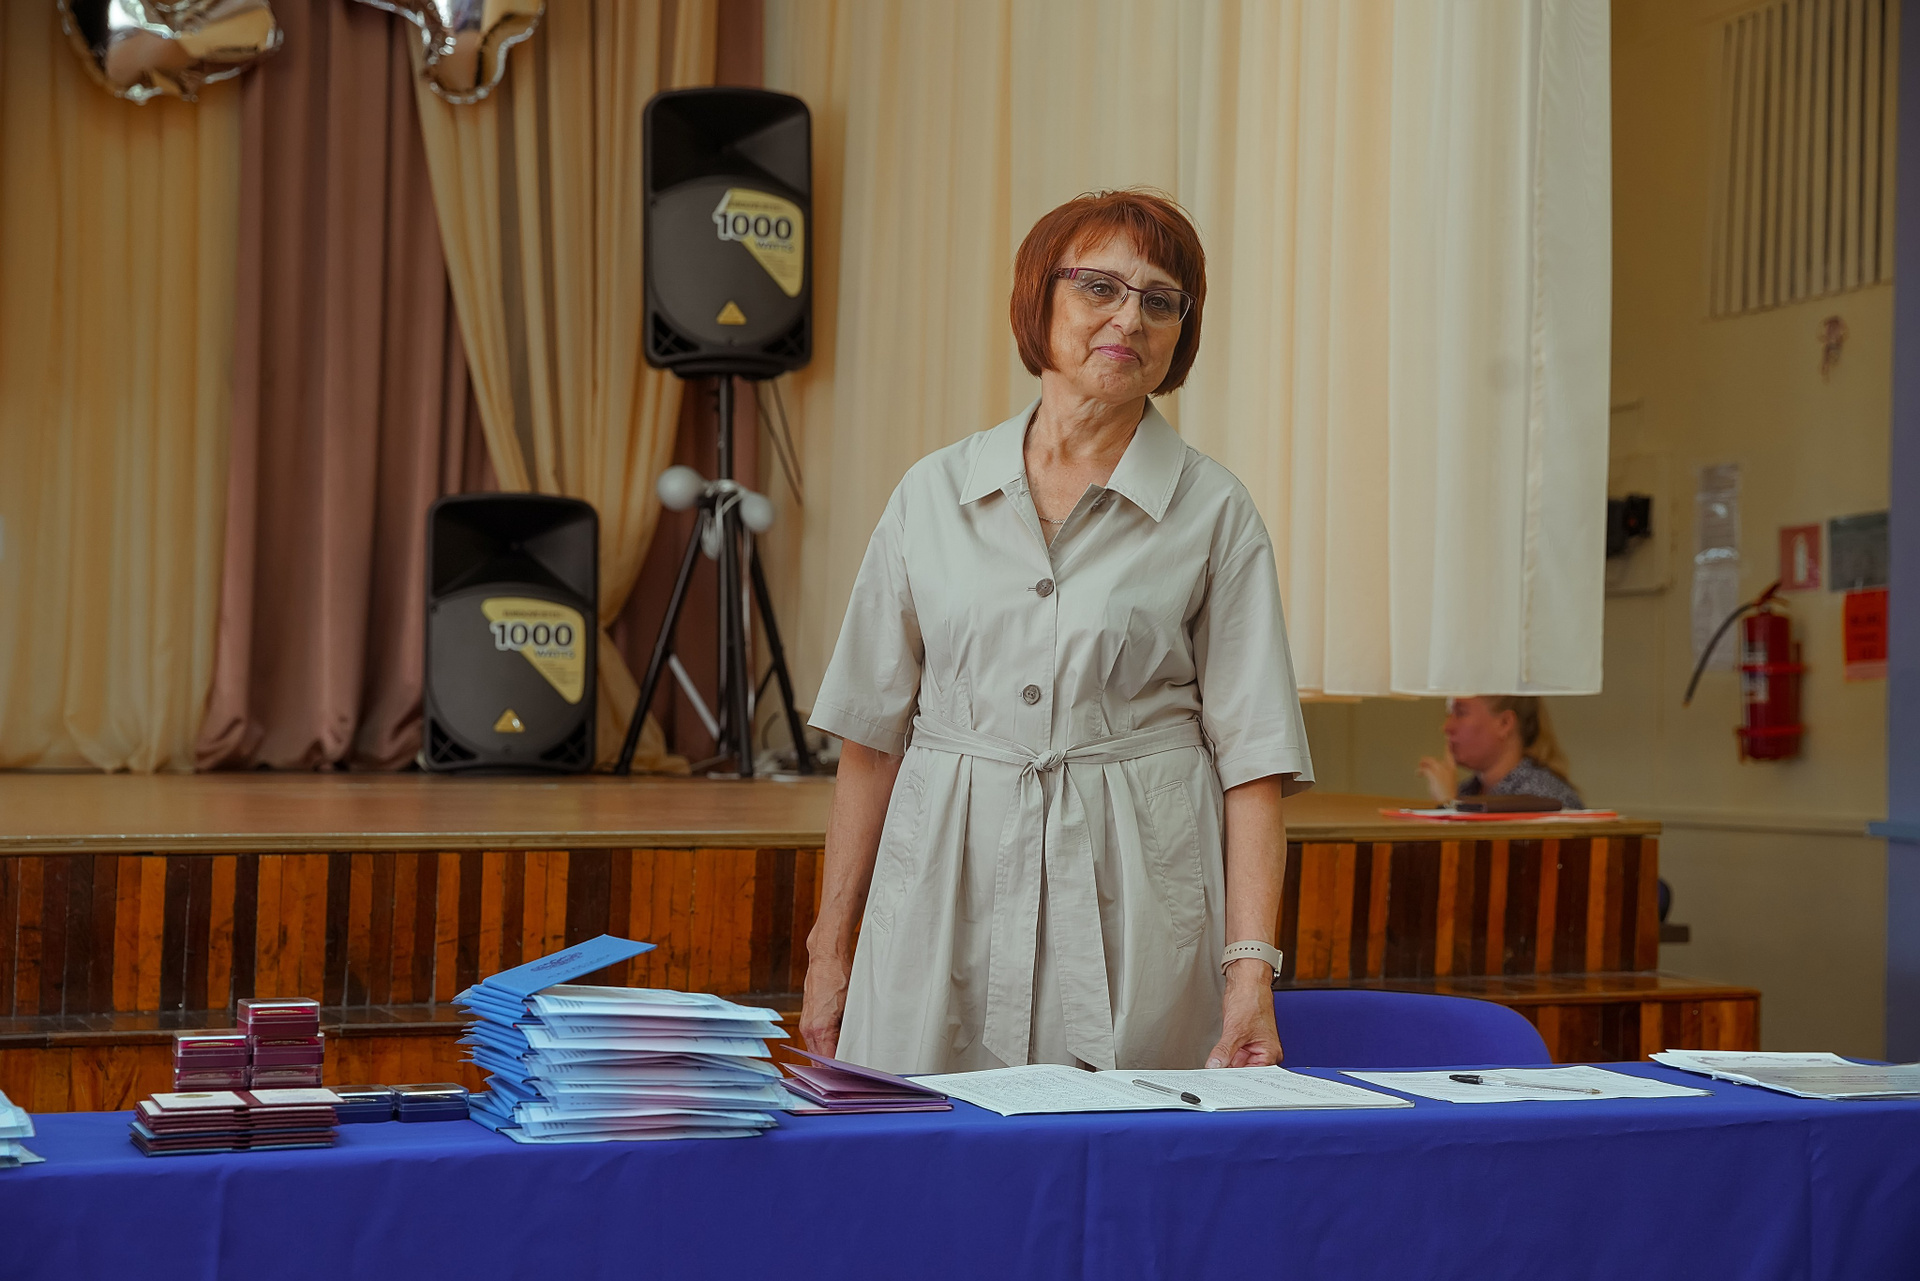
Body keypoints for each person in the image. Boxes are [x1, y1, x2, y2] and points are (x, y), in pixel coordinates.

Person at [800, 190, 1314, 1076]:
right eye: (1099, 287)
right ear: (1038, 300)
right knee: (922, 1133)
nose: (1130, 318)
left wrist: (1249, 975)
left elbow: (1254, 763)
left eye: (1161, 300)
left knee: (1126, 1143)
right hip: (939, 888)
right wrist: (829, 947)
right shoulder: (932, 493)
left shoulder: (1215, 510)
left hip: (1137, 898)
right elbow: (871, 741)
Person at [1416, 696, 1583, 809]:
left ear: (1504, 723)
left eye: (1461, 713)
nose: (1446, 727)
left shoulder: (1546, 798)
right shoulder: (1467, 792)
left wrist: (1448, 804)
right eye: (1449, 714)